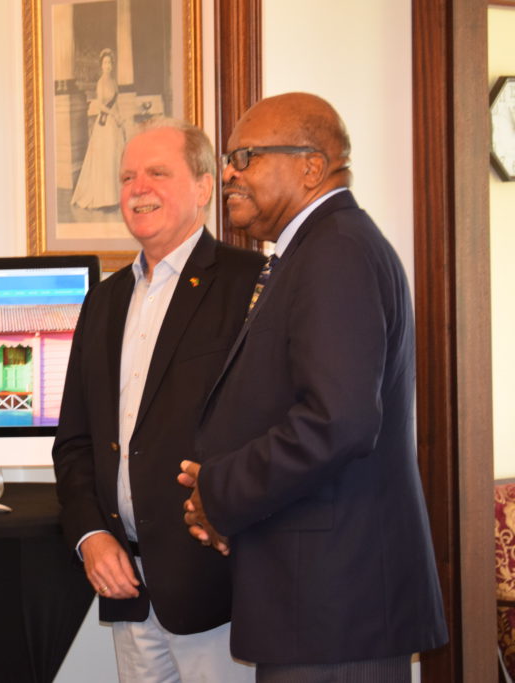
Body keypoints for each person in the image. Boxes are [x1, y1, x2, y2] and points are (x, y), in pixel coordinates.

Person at [178, 93, 448, 682]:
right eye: (229, 160)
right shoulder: (316, 248)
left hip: (336, 607)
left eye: (245, 157)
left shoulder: (337, 251)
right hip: (319, 605)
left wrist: (220, 491)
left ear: (310, 167)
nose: (229, 174)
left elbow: (337, 421)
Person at [53, 118, 265, 682]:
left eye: (157, 173)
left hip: (217, 585)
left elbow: (272, 428)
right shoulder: (102, 301)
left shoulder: (252, 284)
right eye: (127, 177)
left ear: (203, 187)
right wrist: (90, 535)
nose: (138, 188)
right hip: (127, 584)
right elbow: (74, 441)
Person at [71, 48, 126, 210]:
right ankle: (104, 199)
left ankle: (115, 197)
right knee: (105, 158)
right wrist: (113, 115)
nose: (108, 66)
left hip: (114, 123)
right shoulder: (101, 82)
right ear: (101, 65)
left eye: (110, 63)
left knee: (115, 157)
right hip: (105, 123)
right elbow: (101, 105)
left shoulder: (113, 82)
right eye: (105, 63)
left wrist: (120, 118)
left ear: (112, 65)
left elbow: (116, 103)